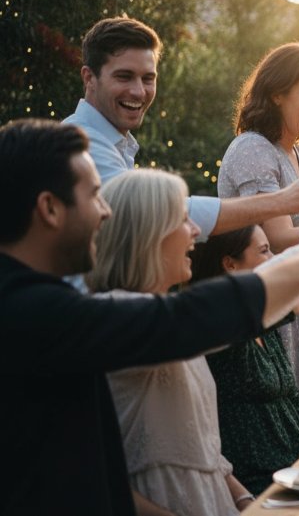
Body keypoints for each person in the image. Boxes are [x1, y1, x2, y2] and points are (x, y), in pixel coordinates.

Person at [0, 119, 299, 515]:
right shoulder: (28, 312)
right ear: (49, 208)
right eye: (94, 196)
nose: (104, 212)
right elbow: (182, 321)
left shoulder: (37, 301)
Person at [63, 16, 299, 242]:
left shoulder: (115, 144)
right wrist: (284, 202)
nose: (138, 91)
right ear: (89, 78)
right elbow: (159, 213)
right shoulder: (79, 143)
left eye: (148, 79)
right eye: (124, 76)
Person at [85, 170, 253, 515]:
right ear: (146, 236)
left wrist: (246, 500)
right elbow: (101, 482)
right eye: (182, 219)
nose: (195, 231)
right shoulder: (122, 316)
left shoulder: (170, 320)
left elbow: (203, 448)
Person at [218, 42, 299, 421]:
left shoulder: (297, 153)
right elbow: (279, 239)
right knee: (282, 425)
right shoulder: (253, 150)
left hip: (297, 301)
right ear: (277, 94)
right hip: (266, 306)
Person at [192, 225, 299, 494]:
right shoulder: (221, 330)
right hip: (259, 481)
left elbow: (291, 398)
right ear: (230, 263)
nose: (274, 257)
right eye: (264, 251)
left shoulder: (263, 324)